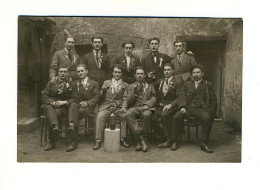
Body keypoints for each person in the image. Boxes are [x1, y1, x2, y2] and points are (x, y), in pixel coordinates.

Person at [173, 64, 217, 153]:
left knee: (207, 118)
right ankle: (175, 141)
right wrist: (182, 107)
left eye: (198, 72)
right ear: (191, 74)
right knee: (176, 117)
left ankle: (204, 143)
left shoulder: (207, 84)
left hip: (201, 109)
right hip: (187, 108)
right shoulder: (187, 83)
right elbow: (181, 96)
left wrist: (210, 112)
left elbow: (213, 101)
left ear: (202, 74)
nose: (195, 74)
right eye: (193, 73)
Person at [93, 65, 130, 150]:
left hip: (118, 107)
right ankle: (98, 141)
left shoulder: (125, 85)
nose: (117, 74)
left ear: (121, 74)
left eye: (119, 72)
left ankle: (122, 139)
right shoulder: (106, 82)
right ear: (112, 73)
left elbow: (125, 98)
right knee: (100, 116)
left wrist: (124, 107)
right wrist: (102, 90)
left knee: (124, 116)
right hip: (106, 106)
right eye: (115, 72)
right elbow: (100, 96)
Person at [122, 67, 156, 152]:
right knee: (128, 114)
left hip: (145, 107)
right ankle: (141, 139)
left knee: (146, 115)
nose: (140, 75)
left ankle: (139, 141)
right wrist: (124, 106)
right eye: (138, 74)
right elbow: (126, 100)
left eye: (141, 74)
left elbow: (154, 98)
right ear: (135, 75)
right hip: (135, 107)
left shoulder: (150, 86)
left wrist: (147, 105)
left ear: (144, 75)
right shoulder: (130, 86)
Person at [67, 64, 99, 152]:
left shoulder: (94, 83)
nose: (80, 73)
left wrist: (87, 103)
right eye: (78, 71)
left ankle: (73, 140)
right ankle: (72, 126)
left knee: (74, 112)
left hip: (89, 107)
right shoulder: (75, 83)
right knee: (73, 105)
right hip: (78, 105)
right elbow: (74, 97)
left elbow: (96, 98)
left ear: (86, 71)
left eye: (82, 71)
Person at [41, 65, 73, 151]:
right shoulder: (51, 82)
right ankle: (55, 127)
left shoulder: (71, 83)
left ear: (68, 73)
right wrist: (52, 102)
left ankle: (52, 140)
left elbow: (72, 97)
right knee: (49, 108)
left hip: (62, 106)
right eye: (61, 72)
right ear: (58, 73)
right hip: (50, 104)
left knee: (56, 113)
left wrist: (64, 92)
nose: (63, 74)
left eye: (65, 72)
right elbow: (44, 96)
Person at [153, 63, 184, 150]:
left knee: (164, 115)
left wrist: (170, 105)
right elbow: (151, 86)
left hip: (173, 105)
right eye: (165, 70)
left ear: (173, 71)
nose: (166, 72)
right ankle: (165, 136)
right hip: (163, 106)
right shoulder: (161, 81)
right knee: (152, 117)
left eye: (168, 70)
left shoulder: (178, 81)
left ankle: (173, 140)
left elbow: (180, 97)